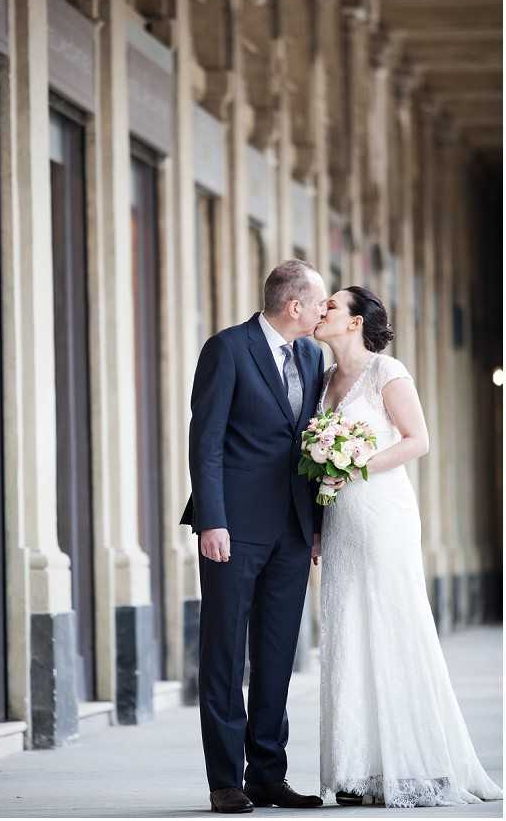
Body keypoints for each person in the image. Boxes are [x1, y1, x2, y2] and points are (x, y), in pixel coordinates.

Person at [313, 286, 503, 809]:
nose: (321, 310)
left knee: (390, 622)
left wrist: (351, 464)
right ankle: (357, 770)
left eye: (331, 305)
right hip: (340, 520)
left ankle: (415, 764)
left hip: (381, 513)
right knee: (348, 629)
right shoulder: (324, 378)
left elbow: (418, 439)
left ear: (354, 323)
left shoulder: (386, 371)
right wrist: (316, 522)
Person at [180, 260, 327, 813]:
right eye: (317, 304)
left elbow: (309, 445)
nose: (321, 313)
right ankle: (226, 781)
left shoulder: (312, 356)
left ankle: (269, 774)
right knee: (223, 652)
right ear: (294, 306)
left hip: (292, 530)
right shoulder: (227, 348)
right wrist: (212, 520)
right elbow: (206, 441)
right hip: (233, 530)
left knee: (276, 653)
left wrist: (315, 525)